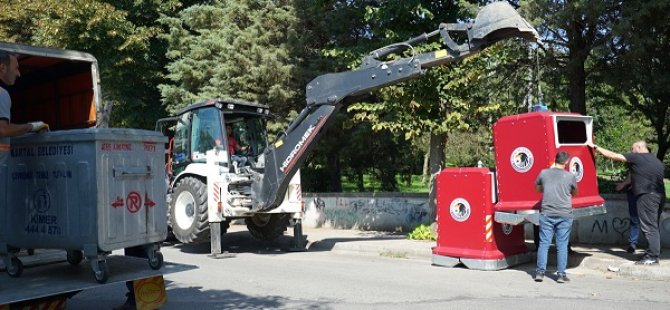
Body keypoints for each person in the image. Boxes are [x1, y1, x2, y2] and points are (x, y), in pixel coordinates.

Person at [590, 141, 665, 265]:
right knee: (654, 225)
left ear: (640, 147)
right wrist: (624, 184)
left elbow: (613, 156)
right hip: (659, 196)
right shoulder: (655, 161)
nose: (631, 150)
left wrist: (596, 147)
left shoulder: (637, 157)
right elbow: (637, 174)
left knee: (649, 227)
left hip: (647, 196)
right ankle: (653, 252)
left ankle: (652, 256)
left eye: (633, 148)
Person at [534, 151, 578, 283]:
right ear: (566, 162)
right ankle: (560, 275)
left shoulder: (544, 173)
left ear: (555, 160)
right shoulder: (570, 176)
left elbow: (537, 189)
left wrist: (547, 188)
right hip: (564, 214)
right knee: (562, 245)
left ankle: (540, 273)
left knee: (544, 244)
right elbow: (575, 192)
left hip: (547, 213)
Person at [0, 51, 48, 146]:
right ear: (2, 68)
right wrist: (32, 126)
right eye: (16, 68)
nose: (19, 74)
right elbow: (3, 129)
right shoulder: (1, 93)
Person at [616, 173, 640, 253]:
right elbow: (631, 174)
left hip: (641, 193)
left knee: (636, 219)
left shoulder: (640, 162)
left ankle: (653, 246)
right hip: (634, 192)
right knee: (635, 219)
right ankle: (633, 244)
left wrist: (623, 184)